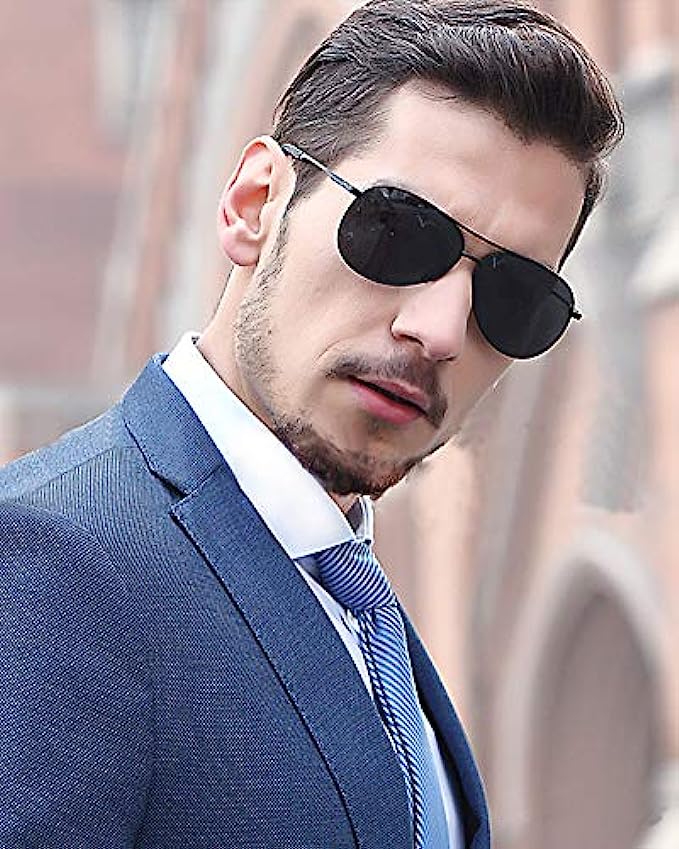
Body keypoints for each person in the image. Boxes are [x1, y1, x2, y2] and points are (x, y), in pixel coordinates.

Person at [0, 1, 623, 847]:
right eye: (398, 232)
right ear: (255, 202)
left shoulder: (361, 612)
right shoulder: (46, 563)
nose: (440, 331)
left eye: (515, 297)